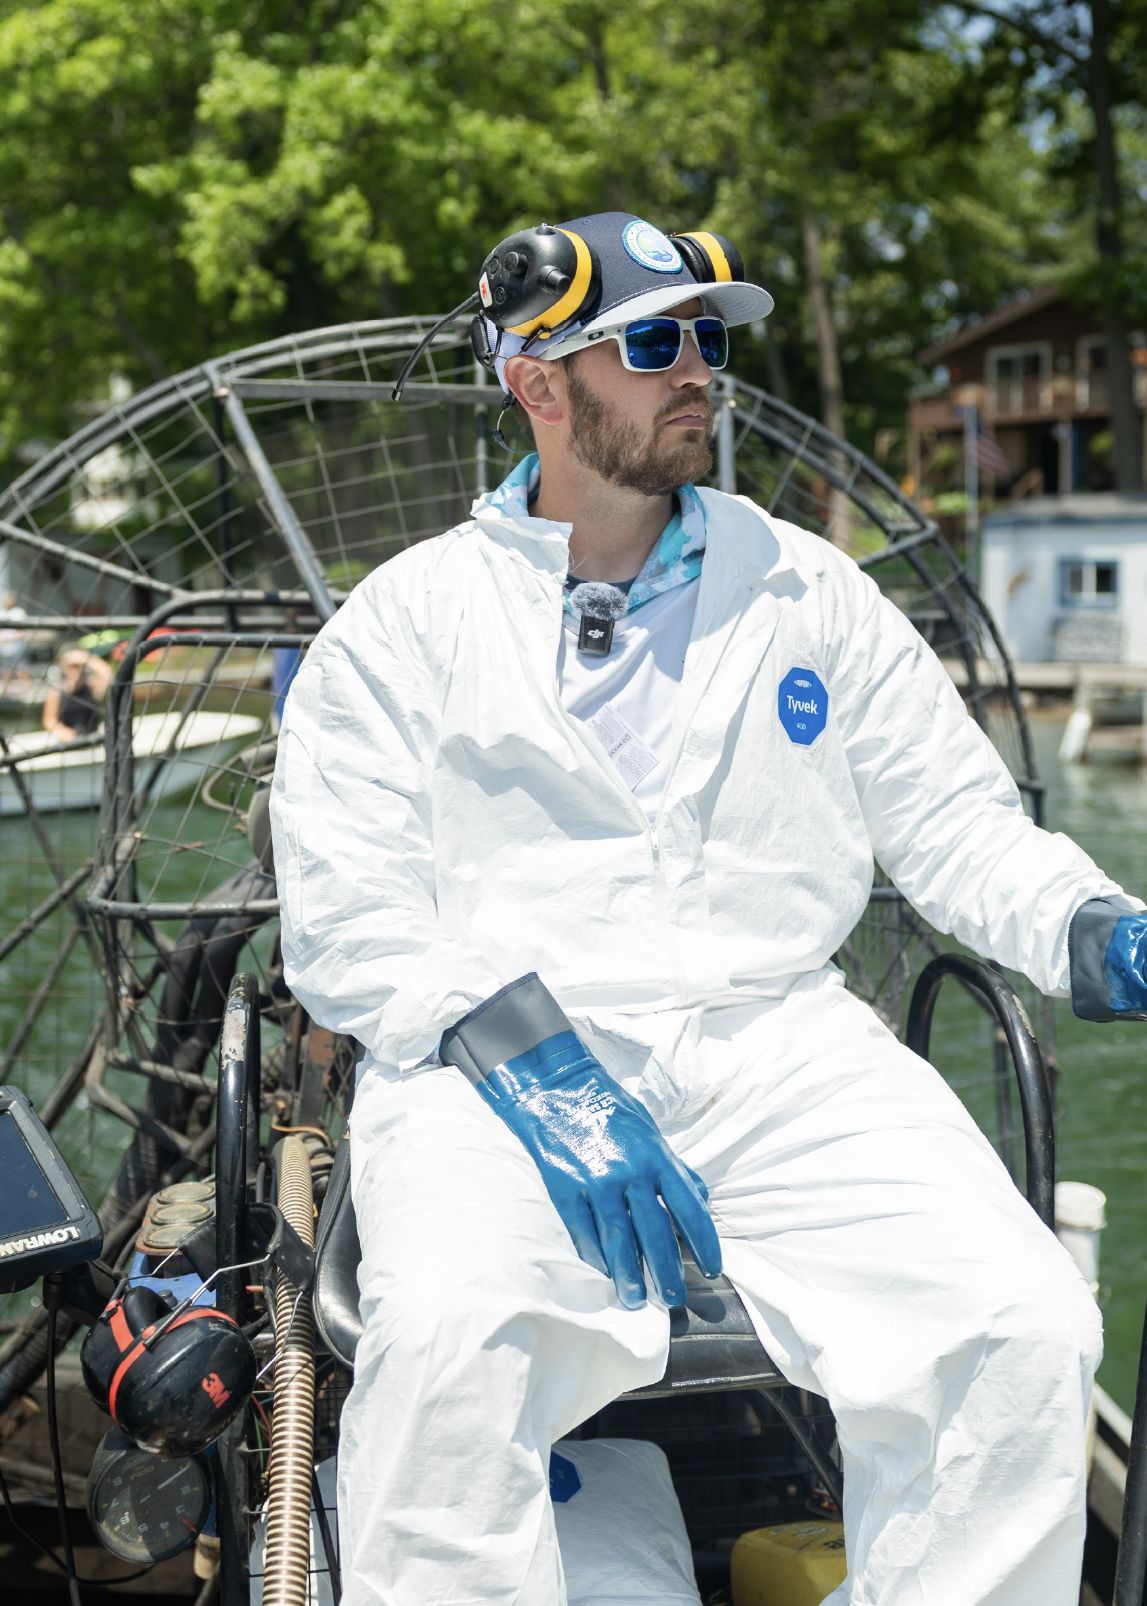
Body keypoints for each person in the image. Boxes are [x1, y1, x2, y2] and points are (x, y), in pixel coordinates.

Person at [270, 212, 1147, 1605]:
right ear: (538, 384)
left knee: (1017, 1321)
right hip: (492, 1062)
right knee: (447, 1338)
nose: (699, 372)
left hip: (781, 1042)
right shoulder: (399, 624)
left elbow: (957, 825)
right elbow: (350, 917)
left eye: (708, 338)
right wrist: (538, 1072)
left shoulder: (812, 589)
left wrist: (1089, 925)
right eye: (654, 344)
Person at [42, 646, 112, 740]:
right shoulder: (57, 690)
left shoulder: (91, 686)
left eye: (77, 665)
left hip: (92, 738)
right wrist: (63, 731)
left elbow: (108, 674)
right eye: (71, 666)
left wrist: (86, 658)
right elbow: (49, 720)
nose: (74, 669)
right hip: (70, 740)